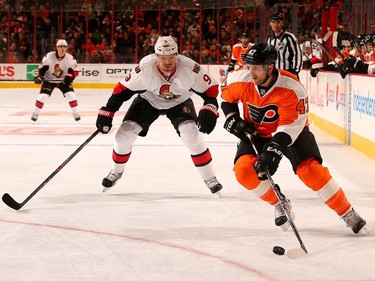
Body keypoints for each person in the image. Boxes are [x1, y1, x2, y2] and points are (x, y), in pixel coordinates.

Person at [220, 43, 367, 234]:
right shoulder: (240, 78)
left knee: (311, 171)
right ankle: (280, 202)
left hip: (292, 134)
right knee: (244, 172)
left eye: (256, 67)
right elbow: (226, 99)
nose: (251, 71)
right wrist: (233, 119)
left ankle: (347, 212)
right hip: (256, 134)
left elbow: (291, 125)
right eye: (249, 66)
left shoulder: (292, 87)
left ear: (270, 67)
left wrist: (274, 149)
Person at [96, 35, 223, 195]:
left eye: (171, 57)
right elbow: (122, 90)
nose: (167, 62)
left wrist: (210, 107)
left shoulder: (190, 68)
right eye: (163, 58)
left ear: (177, 55)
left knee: (192, 135)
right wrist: (108, 110)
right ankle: (116, 171)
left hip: (180, 102)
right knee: (124, 135)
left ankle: (210, 178)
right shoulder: (145, 68)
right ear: (155, 57)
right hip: (148, 100)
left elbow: (210, 89)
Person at [31, 39, 80, 122]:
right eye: (60, 46)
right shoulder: (49, 56)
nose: (62, 49)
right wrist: (40, 77)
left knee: (71, 95)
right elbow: (42, 69)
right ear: (56, 48)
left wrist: (70, 77)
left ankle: (76, 113)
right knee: (43, 97)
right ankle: (35, 113)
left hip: (63, 81)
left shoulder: (70, 58)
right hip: (49, 80)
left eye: (64, 46)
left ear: (67, 48)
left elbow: (74, 71)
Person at [266, 12, 303, 77]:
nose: (275, 25)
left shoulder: (289, 37)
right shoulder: (269, 39)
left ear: (282, 23)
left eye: (278, 22)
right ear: (270, 23)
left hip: (288, 72)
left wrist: (295, 71)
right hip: (274, 74)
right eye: (273, 22)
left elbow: (297, 54)